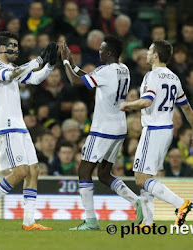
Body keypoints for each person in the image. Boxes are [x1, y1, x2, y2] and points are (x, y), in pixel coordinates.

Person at [0, 31, 58, 231]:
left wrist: (50, 65)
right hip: (6, 126)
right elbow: (9, 76)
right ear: (0, 48)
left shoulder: (13, 67)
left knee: (33, 170)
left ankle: (28, 221)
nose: (16, 49)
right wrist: (38, 60)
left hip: (19, 125)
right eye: (12, 46)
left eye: (17, 46)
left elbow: (35, 79)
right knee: (20, 171)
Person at [61, 35, 142, 230]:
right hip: (118, 128)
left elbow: (75, 81)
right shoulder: (124, 69)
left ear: (109, 53)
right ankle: (136, 201)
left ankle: (90, 221)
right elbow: (89, 77)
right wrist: (73, 64)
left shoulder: (105, 71)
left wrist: (64, 60)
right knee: (104, 174)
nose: (99, 52)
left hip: (102, 130)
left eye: (102, 49)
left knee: (84, 171)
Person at [120, 40, 193, 228]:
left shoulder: (152, 76)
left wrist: (127, 105)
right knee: (147, 176)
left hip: (153, 130)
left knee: (140, 178)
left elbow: (146, 102)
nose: (146, 53)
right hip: (167, 130)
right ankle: (148, 221)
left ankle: (181, 204)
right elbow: (186, 108)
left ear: (156, 56)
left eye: (149, 50)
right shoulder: (175, 78)